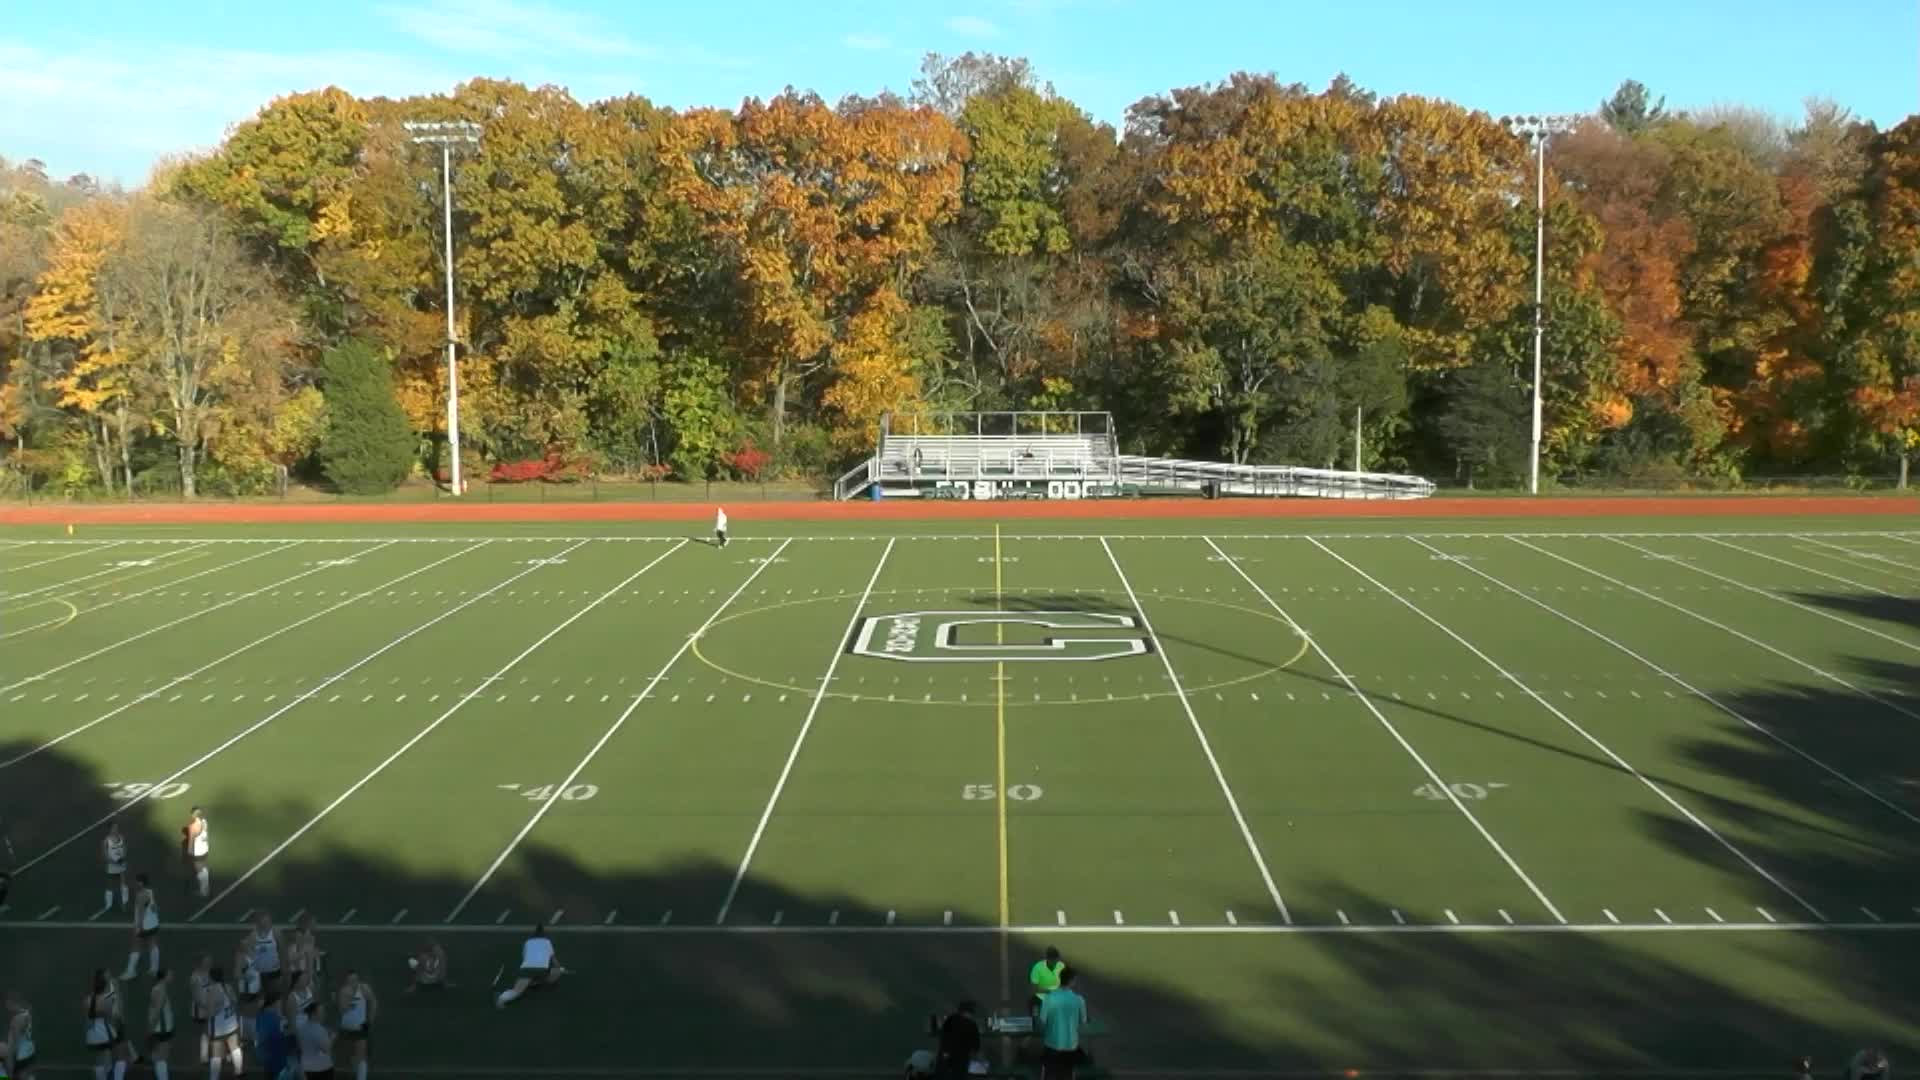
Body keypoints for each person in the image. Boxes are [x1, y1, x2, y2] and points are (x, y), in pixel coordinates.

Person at [494, 923, 565, 1008]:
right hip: (542, 970)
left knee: (517, 991)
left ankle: (501, 999)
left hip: (526, 970)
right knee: (557, 971)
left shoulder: (527, 942)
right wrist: (560, 968)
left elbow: (525, 958)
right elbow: (554, 960)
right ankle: (540, 982)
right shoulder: (547, 942)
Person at [1037, 966, 1089, 1080]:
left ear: (1060, 979)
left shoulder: (1049, 998)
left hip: (1052, 1047)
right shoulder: (1079, 1000)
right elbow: (1084, 1022)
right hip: (1070, 1048)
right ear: (1072, 981)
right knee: (1068, 1075)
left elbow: (1042, 1022)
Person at [83, 969, 132, 1080]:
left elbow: (88, 1016)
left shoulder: (88, 998)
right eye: (107, 976)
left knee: (102, 1060)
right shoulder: (107, 998)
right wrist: (116, 991)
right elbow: (115, 1014)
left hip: (93, 1034)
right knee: (120, 1057)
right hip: (107, 1032)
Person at [202, 966, 243, 1080]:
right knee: (235, 1048)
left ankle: (213, 1078)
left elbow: (210, 1013)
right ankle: (238, 1072)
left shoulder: (212, 991)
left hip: (219, 1028)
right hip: (231, 1024)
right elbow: (235, 1002)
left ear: (211, 977)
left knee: (216, 1055)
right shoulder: (227, 986)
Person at [335, 971, 374, 1080]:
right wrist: (350, 998)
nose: (353, 983)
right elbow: (342, 1009)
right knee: (350, 1057)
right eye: (350, 981)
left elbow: (373, 1003)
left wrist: (369, 1021)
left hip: (360, 1027)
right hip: (346, 1028)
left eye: (355, 980)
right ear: (346, 982)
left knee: (361, 1055)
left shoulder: (364, 989)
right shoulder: (343, 992)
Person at [124, 873, 161, 981]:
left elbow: (141, 912)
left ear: (141, 883)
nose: (135, 883)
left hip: (144, 926)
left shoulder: (140, 895)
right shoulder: (150, 892)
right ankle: (154, 969)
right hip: (153, 924)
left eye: (137, 881)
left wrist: (138, 927)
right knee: (152, 945)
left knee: (135, 947)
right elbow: (155, 908)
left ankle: (131, 971)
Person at [933, 1000, 981, 1079]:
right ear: (969, 1012)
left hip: (944, 1060)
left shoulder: (949, 1020)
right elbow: (976, 1046)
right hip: (960, 1062)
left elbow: (943, 1039)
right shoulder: (971, 1024)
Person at [145, 968, 175, 1080]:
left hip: (161, 1027)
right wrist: (151, 1029)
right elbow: (157, 1010)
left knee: (160, 1056)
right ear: (164, 976)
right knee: (161, 1057)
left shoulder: (159, 989)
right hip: (162, 1028)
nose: (172, 977)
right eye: (170, 974)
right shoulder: (160, 990)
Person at [251, 994, 290, 1080]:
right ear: (275, 1003)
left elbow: (257, 1035)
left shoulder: (260, 1015)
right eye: (279, 1002)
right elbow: (285, 1031)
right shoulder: (277, 1018)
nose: (281, 1004)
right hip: (277, 1054)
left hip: (265, 1053)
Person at [293, 1002, 332, 1080]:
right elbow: (326, 1049)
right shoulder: (320, 1030)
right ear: (314, 1014)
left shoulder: (301, 1029)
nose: (324, 1014)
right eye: (321, 1012)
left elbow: (299, 1048)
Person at [185, 956, 211, 1067]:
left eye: (209, 962)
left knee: (207, 1033)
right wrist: (204, 1005)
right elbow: (195, 996)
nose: (209, 964)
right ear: (201, 963)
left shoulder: (209, 974)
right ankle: (198, 1058)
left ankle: (205, 1057)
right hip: (198, 1010)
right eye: (206, 962)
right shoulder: (194, 977)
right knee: (200, 1033)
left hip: (209, 1009)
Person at [4, 992, 36, 1080]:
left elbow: (14, 1044)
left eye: (6, 1004)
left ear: (10, 1002)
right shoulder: (27, 1015)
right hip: (28, 1053)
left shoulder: (17, 1019)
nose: (5, 1007)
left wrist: (10, 1061)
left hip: (19, 1057)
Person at [1028, 946, 1064, 1017]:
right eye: (1053, 961)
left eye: (1056, 960)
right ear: (1047, 959)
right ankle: (1035, 1021)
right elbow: (1033, 988)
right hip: (1041, 997)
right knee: (1034, 1007)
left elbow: (1065, 984)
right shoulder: (1037, 967)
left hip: (1058, 997)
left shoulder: (1061, 966)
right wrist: (1048, 991)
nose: (1055, 963)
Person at [181, 809, 209, 900]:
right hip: (205, 848)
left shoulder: (192, 827)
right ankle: (205, 888)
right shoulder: (204, 822)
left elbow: (191, 841)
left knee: (199, 870)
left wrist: (189, 853)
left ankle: (204, 891)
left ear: (193, 815)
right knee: (203, 868)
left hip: (197, 851)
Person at [103, 822, 130, 913]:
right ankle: (108, 905)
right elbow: (105, 855)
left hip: (121, 864)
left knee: (123, 884)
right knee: (110, 886)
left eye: (117, 827)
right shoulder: (106, 840)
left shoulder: (121, 837)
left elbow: (125, 849)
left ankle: (124, 904)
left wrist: (122, 858)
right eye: (114, 828)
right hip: (112, 865)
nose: (116, 829)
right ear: (110, 829)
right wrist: (114, 861)